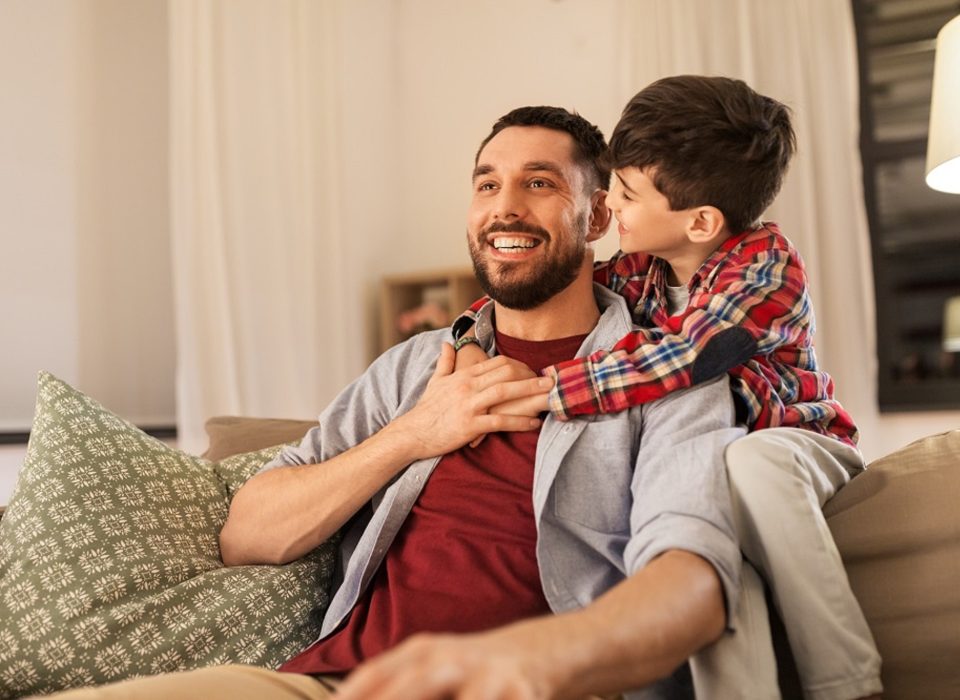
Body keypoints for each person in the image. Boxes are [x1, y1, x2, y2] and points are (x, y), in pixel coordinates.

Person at [47, 107, 749, 700]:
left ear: (597, 214)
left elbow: (692, 582)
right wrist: (416, 433)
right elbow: (250, 535)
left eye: (539, 183)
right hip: (331, 683)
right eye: (487, 184)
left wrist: (535, 659)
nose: (505, 206)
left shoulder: (668, 375)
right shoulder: (415, 367)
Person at [454, 76, 883, 700]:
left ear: (701, 220)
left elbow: (688, 356)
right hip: (711, 462)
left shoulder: (767, 267)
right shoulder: (638, 272)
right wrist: (471, 339)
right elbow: (540, 286)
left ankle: (847, 683)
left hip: (797, 442)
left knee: (753, 460)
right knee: (715, 574)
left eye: (625, 195)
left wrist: (548, 391)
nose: (612, 211)